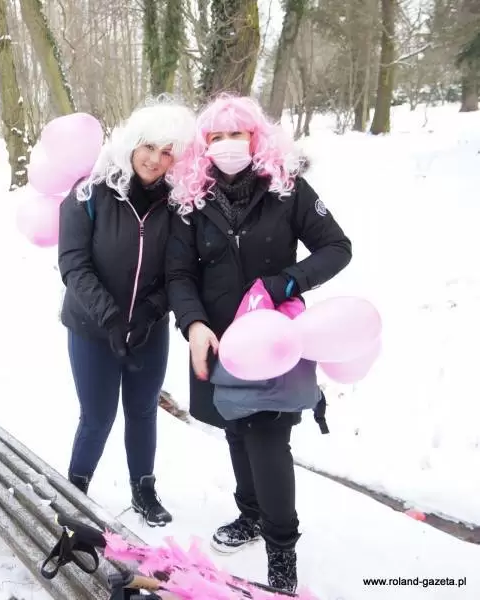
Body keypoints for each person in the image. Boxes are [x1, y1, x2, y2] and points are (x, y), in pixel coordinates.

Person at [165, 94, 352, 592]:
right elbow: (179, 274)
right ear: (204, 145)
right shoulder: (192, 199)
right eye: (217, 137)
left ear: (256, 138)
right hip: (217, 341)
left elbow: (337, 247)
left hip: (274, 342)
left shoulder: (287, 189)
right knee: (234, 428)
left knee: (268, 441)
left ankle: (281, 552)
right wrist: (193, 323)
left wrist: (286, 283)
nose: (227, 145)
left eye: (237, 134)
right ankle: (249, 514)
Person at [58, 99, 195, 527]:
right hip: (92, 328)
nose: (155, 160)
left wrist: (151, 312)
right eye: (149, 147)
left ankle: (143, 488)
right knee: (97, 416)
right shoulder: (90, 192)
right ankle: (75, 489)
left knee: (143, 410)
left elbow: (182, 271)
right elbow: (73, 265)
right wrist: (111, 318)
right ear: (131, 143)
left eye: (167, 152)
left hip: (149, 330)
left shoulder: (178, 204)